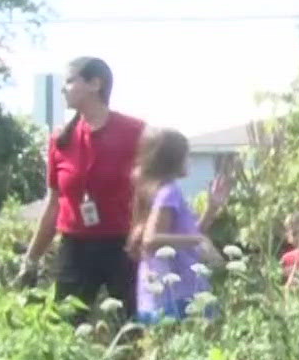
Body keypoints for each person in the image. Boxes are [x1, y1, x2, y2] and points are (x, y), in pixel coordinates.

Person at [19, 57, 144, 317]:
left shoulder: (134, 131)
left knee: (135, 330)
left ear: (94, 84)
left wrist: (142, 235)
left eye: (70, 81)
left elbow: (152, 191)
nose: (64, 88)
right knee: (63, 326)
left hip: (123, 247)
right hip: (75, 248)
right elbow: (53, 204)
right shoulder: (60, 139)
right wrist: (30, 259)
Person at [133, 128, 229, 323]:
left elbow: (184, 239)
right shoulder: (169, 192)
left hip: (163, 293)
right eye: (187, 156)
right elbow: (151, 240)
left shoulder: (159, 191)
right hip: (176, 294)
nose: (189, 161)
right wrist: (197, 240)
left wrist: (211, 209)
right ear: (174, 160)